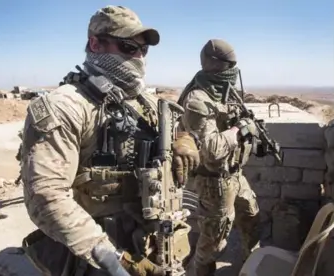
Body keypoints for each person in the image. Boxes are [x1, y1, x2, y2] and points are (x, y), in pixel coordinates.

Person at [18, 5, 199, 276]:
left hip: (154, 242)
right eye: (128, 47)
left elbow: (178, 128)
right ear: (95, 43)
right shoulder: (64, 106)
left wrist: (184, 139)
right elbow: (45, 197)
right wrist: (115, 259)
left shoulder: (146, 102)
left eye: (143, 50)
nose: (138, 56)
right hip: (99, 254)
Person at [177, 39, 260, 275]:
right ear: (215, 65)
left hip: (234, 174)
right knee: (213, 244)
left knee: (252, 216)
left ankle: (249, 265)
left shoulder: (223, 91)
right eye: (230, 65)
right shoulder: (197, 100)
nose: (234, 70)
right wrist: (238, 131)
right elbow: (211, 150)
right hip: (214, 182)